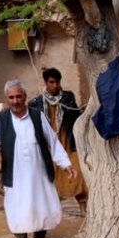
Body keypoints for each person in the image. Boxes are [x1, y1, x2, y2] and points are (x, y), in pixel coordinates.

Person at [0, 80, 77, 238]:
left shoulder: (37, 115)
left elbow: (53, 142)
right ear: (7, 99)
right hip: (15, 175)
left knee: (41, 210)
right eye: (11, 97)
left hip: (39, 175)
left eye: (18, 96)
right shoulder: (1, 119)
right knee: (18, 210)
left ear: (25, 97)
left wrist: (66, 164)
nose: (15, 101)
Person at [27, 68, 89, 216]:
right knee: (50, 176)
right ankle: (52, 212)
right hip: (48, 145)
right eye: (51, 82)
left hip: (67, 141)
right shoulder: (36, 103)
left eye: (57, 82)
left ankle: (83, 209)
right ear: (46, 83)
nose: (55, 85)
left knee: (77, 172)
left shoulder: (68, 98)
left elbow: (75, 117)